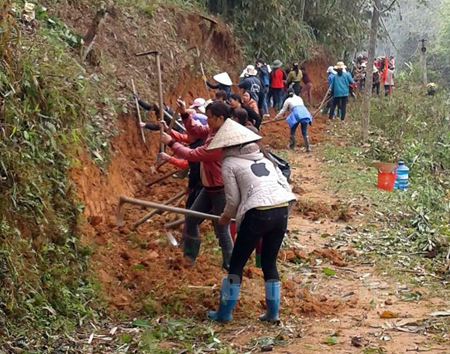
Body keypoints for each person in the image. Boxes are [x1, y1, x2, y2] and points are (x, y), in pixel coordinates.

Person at [206, 119, 296, 322]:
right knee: (269, 263)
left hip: (258, 213)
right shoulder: (265, 157)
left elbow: (233, 200)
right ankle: (273, 314)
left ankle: (224, 313)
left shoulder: (230, 163)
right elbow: (283, 183)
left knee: (236, 263)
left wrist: (225, 217)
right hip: (281, 210)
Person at [160, 101, 234, 270]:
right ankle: (189, 257)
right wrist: (185, 114)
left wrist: (172, 143)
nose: (206, 121)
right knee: (191, 219)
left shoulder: (221, 139)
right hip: (209, 187)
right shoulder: (214, 130)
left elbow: (194, 154)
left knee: (222, 230)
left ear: (220, 118)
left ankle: (231, 265)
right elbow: (195, 130)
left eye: (209, 117)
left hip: (220, 190)